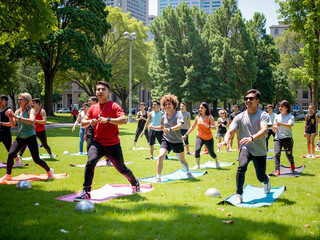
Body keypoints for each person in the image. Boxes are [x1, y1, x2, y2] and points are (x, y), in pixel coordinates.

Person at [73, 81, 140, 201]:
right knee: (90, 162)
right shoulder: (93, 108)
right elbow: (83, 123)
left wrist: (108, 119)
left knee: (122, 169)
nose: (100, 91)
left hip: (113, 144)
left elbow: (124, 120)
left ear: (108, 93)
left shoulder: (113, 105)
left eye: (103, 89)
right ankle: (86, 191)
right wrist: (90, 122)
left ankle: (135, 182)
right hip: (97, 143)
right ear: (95, 92)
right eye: (98, 89)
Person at [218, 89, 271, 204]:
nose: (248, 100)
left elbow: (264, 130)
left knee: (260, 176)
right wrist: (226, 140)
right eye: (246, 98)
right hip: (246, 148)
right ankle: (239, 194)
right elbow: (230, 130)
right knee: (241, 166)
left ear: (257, 101)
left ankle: (266, 180)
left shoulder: (263, 115)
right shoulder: (239, 117)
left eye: (251, 98)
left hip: (259, 150)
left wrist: (251, 138)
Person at [0, 93, 54, 182]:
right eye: (18, 99)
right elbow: (13, 125)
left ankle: (49, 171)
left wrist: (18, 117)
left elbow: (32, 121)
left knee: (36, 159)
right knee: (11, 154)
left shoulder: (31, 110)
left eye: (21, 99)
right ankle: (8, 175)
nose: (19, 101)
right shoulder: (17, 111)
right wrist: (10, 117)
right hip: (20, 137)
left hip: (30, 137)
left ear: (27, 101)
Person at [150, 94, 192, 182]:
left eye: (169, 104)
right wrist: (153, 127)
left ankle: (188, 172)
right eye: (165, 105)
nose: (167, 106)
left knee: (182, 161)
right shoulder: (163, 117)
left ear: (173, 104)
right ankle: (158, 177)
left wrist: (170, 129)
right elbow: (162, 127)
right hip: (166, 140)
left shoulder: (178, 114)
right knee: (161, 156)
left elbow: (180, 125)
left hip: (177, 141)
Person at [183, 102, 219, 169]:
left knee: (211, 153)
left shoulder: (209, 117)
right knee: (197, 150)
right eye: (199, 107)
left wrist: (208, 126)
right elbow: (192, 127)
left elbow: (214, 127)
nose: (200, 109)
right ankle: (198, 165)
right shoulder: (197, 117)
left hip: (208, 138)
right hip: (199, 137)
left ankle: (217, 161)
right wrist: (186, 134)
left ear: (206, 109)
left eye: (202, 107)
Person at [273, 100, 296, 176]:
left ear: (286, 108)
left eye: (282, 106)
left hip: (288, 138)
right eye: (279, 106)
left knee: (289, 154)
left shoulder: (290, 116)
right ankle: (277, 170)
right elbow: (275, 126)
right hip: (278, 138)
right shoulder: (277, 116)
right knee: (277, 153)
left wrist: (281, 124)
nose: (280, 108)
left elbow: (289, 125)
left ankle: (292, 163)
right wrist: (275, 128)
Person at [0, 95, 19, 165]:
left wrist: (1, 123)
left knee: (9, 149)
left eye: (2, 100)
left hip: (6, 133)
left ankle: (17, 159)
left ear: (6, 101)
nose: (0, 101)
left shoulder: (8, 110)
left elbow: (12, 124)